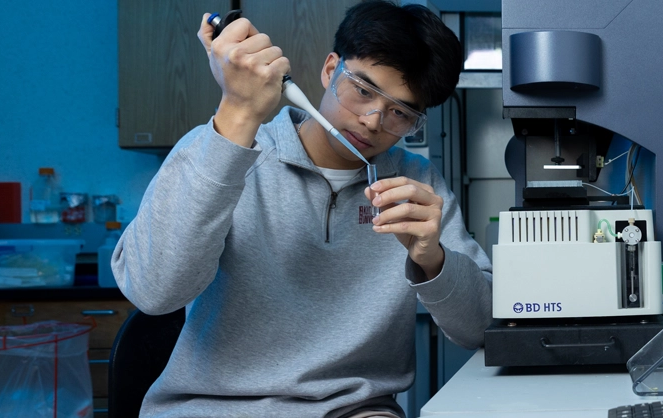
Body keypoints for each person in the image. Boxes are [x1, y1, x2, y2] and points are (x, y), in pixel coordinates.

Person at [112, 1, 490, 416]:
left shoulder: (418, 183)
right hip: (209, 407)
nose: (372, 120)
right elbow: (153, 292)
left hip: (353, 411)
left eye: (400, 113)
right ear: (331, 70)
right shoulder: (218, 152)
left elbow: (482, 328)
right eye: (362, 91)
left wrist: (431, 260)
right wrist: (238, 113)